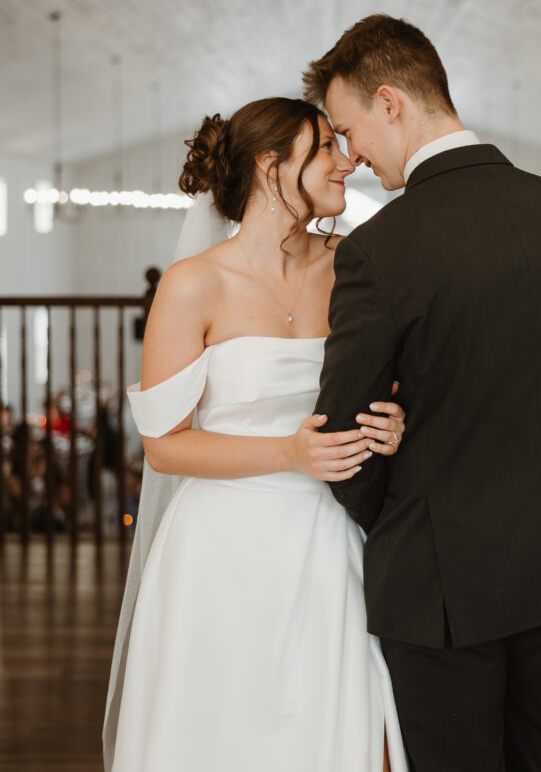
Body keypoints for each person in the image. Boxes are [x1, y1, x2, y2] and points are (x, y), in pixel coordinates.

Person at [303, 14, 541, 772]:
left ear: (390, 102)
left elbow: (341, 432)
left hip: (438, 576)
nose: (350, 157)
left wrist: (394, 515)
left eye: (349, 129)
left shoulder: (379, 249)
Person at [103, 97, 409, 772]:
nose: (347, 159)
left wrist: (392, 423)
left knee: (349, 728)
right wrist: (289, 453)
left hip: (332, 537)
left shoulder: (354, 263)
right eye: (325, 146)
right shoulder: (193, 286)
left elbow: (387, 382)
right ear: (271, 168)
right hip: (221, 551)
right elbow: (164, 445)